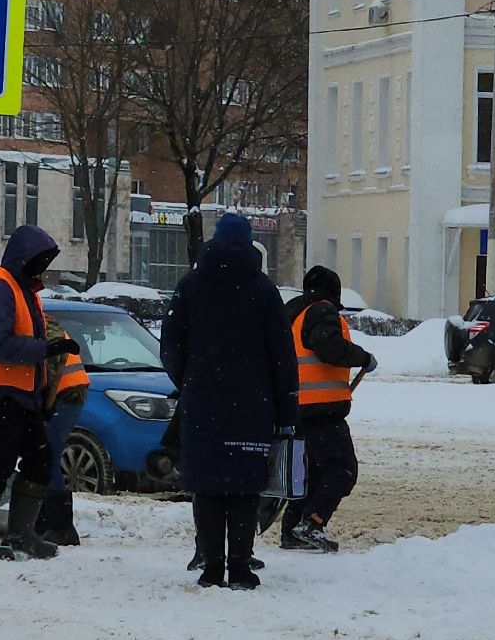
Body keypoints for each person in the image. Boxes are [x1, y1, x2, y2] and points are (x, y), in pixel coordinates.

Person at [160, 211, 298, 590]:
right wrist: (286, 411)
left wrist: (189, 380)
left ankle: (210, 568)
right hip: (253, 405)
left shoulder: (190, 285)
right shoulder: (264, 290)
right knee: (243, 486)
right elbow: (283, 356)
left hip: (202, 403)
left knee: (206, 486)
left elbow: (169, 344)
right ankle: (239, 567)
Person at [0, 224, 74, 560]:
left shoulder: (24, 290)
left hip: (22, 393)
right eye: (39, 261)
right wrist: (46, 349)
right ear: (23, 258)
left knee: (39, 460)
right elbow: (1, 345)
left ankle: (22, 534)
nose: (42, 269)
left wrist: (45, 357)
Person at [278, 265, 376, 552]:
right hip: (321, 410)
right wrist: (363, 356)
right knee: (342, 470)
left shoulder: (292, 312)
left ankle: (292, 531)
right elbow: (329, 347)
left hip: (296, 407)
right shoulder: (321, 310)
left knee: (310, 475)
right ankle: (311, 524)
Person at [37, 311, 89, 546]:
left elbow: (53, 365)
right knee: (43, 454)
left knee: (46, 455)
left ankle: (60, 525)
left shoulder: (39, 324)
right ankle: (46, 521)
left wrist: (45, 404)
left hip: (65, 394)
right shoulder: (41, 320)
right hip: (70, 392)